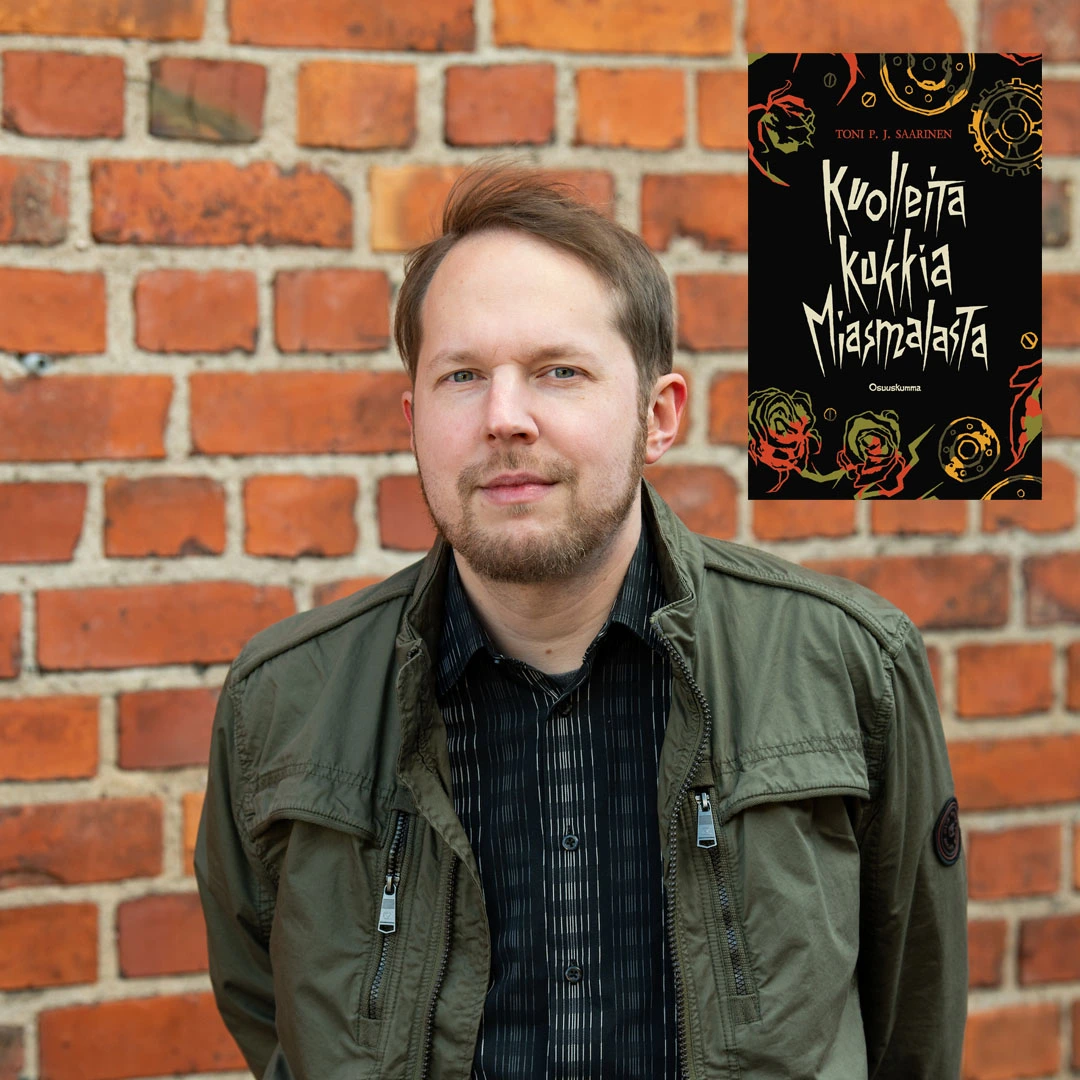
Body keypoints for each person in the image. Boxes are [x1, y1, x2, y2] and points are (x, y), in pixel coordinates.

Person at [196, 164, 967, 1080]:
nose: (504, 418)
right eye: (462, 376)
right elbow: (271, 1014)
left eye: (558, 371)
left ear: (657, 415)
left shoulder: (846, 665)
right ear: (414, 419)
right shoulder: (283, 703)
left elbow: (912, 1021)